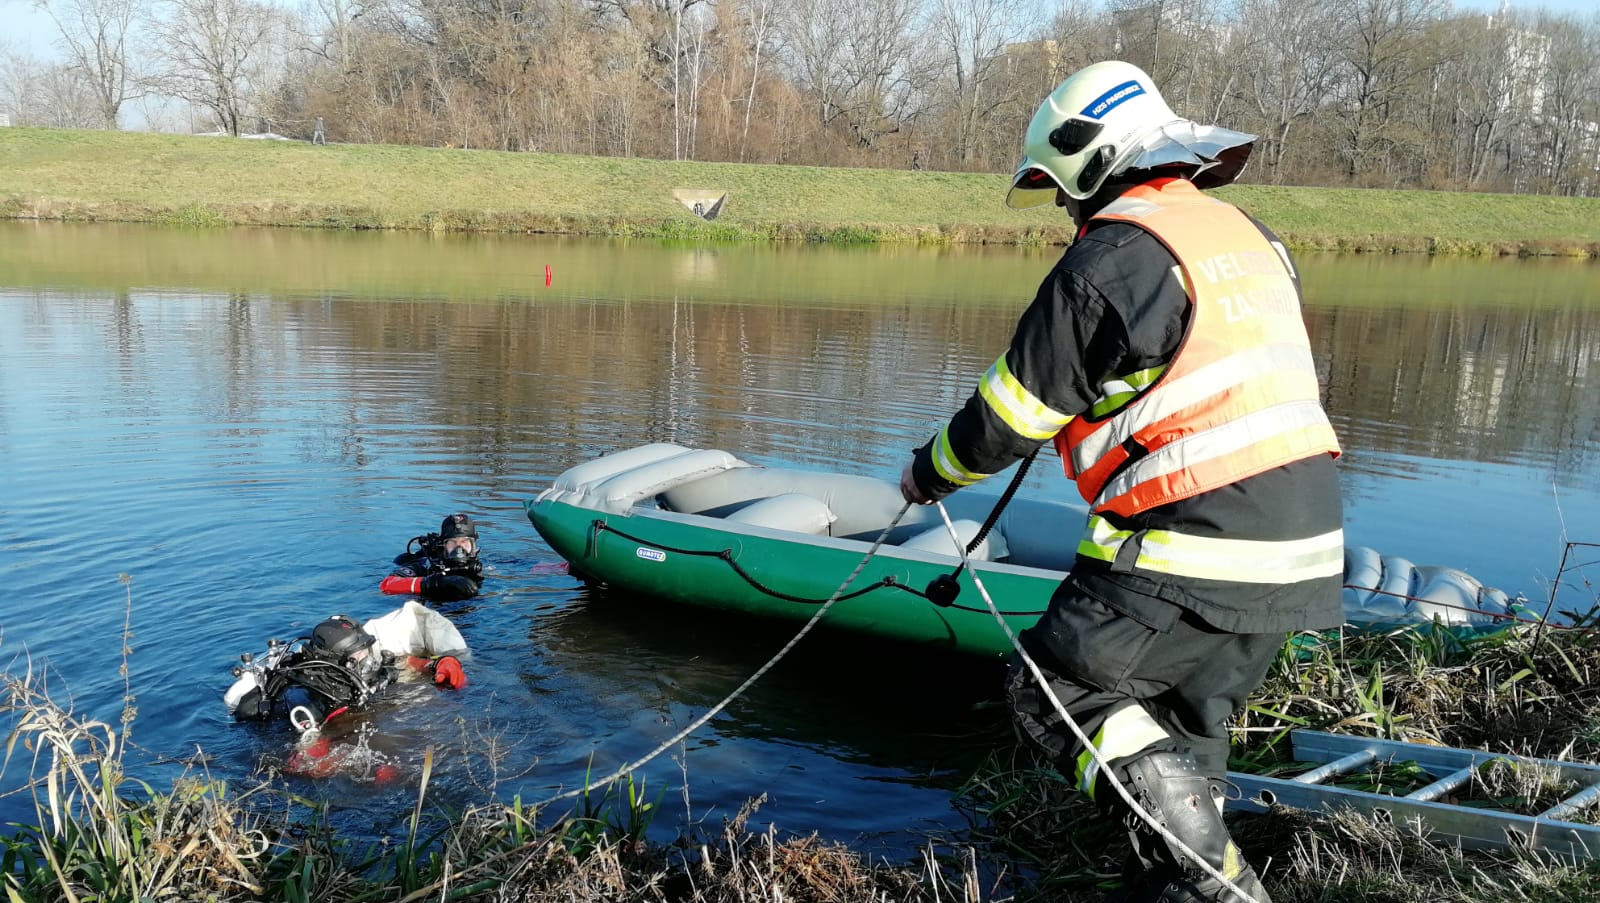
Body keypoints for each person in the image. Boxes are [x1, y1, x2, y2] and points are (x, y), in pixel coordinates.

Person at [899, 60, 1344, 903]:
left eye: (1063, 192)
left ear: (1091, 164)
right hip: (1304, 545)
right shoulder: (1243, 235)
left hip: (1194, 538)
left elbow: (1007, 414)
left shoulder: (1113, 256)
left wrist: (929, 473)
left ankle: (1227, 886)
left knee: (1055, 688)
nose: (1066, 211)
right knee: (1181, 744)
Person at [224, 607, 468, 779]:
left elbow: (395, 666)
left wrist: (437, 664)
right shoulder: (305, 698)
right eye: (360, 657)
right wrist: (372, 769)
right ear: (339, 663)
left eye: (367, 652)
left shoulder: (359, 670)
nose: (369, 662)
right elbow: (306, 763)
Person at [381, 513, 485, 602]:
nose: (459, 549)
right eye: (452, 543)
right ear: (443, 546)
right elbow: (386, 584)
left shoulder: (484, 566)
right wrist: (434, 583)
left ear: (474, 546)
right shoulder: (427, 564)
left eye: (465, 542)